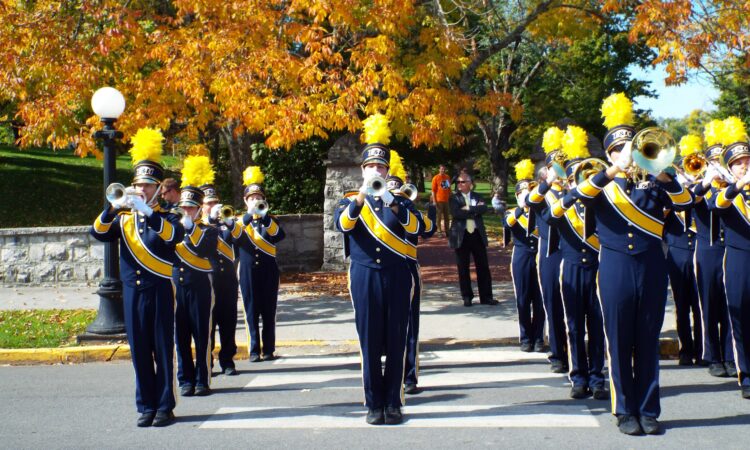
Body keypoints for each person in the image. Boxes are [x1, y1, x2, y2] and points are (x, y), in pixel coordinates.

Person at [559, 93, 693, 435]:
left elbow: (685, 201)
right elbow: (573, 199)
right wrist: (613, 172)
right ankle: (624, 411)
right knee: (618, 340)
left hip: (651, 266)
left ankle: (649, 410)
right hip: (616, 267)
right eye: (619, 150)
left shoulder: (654, 182)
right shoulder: (600, 183)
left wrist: (663, 176)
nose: (626, 155)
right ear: (609, 154)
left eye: (630, 148)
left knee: (647, 339)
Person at [90, 127, 184, 427]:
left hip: (158, 289)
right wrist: (111, 209)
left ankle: (165, 406)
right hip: (132, 291)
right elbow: (98, 233)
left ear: (157, 189)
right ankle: (146, 404)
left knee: (161, 347)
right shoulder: (123, 218)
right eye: (138, 185)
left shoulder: (169, 216)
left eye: (147, 186)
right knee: (140, 349)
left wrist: (149, 212)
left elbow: (172, 237)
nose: (140, 190)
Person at [334, 113, 424, 425]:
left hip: (397, 276)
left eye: (381, 167)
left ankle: (394, 402)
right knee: (369, 340)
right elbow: (343, 224)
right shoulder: (349, 200)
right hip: (363, 276)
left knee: (397, 338)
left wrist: (392, 200)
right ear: (363, 170)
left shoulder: (400, 201)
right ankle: (373, 403)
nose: (376, 170)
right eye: (371, 166)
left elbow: (418, 228)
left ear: (387, 170)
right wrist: (362, 195)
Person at [546, 126, 608, 401]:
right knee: (573, 326)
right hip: (570, 268)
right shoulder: (563, 202)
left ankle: (598, 378)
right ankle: (578, 377)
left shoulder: (602, 202)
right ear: (569, 180)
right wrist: (568, 192)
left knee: (597, 325)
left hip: (597, 269)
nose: (581, 181)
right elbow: (549, 217)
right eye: (575, 177)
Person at [387, 151, 436, 396]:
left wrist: (406, 204)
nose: (395, 192)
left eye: (398, 188)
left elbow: (427, 230)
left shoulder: (406, 206)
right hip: (384, 269)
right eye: (391, 188)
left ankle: (409, 376)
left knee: (409, 327)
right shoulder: (378, 206)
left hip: (407, 268)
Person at [690, 119, 735, 378]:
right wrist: (707, 181)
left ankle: (731, 355)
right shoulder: (701, 185)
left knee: (731, 304)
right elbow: (692, 200)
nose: (718, 166)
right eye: (713, 161)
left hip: (730, 249)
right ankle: (713, 355)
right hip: (707, 250)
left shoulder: (733, 186)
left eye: (721, 161)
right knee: (708, 303)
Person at [709, 116, 750, 400]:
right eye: (738, 163)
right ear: (729, 167)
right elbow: (717, 204)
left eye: (747, 161)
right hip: (739, 259)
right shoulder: (724, 189)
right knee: (741, 318)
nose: (744, 166)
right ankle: (746, 374)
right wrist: (738, 183)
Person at [172, 155, 218, 398]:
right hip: (177, 286)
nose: (187, 211)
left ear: (200, 209)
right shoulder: (173, 227)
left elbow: (206, 250)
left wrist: (191, 229)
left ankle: (203, 379)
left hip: (200, 286)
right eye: (184, 207)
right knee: (181, 336)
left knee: (202, 335)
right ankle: (185, 379)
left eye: (191, 207)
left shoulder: (209, 230)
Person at [527, 126, 568, 373]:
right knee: (553, 304)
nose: (563, 172)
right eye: (557, 168)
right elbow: (531, 201)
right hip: (551, 253)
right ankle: (558, 353)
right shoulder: (541, 193)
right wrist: (548, 183)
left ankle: (577, 355)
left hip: (575, 252)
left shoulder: (576, 190)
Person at [234, 166, 285, 363]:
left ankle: (269, 349)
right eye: (252, 198)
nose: (255, 201)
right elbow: (233, 237)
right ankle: (254, 350)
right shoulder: (239, 221)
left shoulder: (270, 220)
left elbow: (279, 236)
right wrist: (248, 215)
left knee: (268, 310)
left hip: (269, 271)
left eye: (258, 198)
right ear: (246, 201)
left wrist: (263, 217)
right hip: (247, 271)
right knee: (250, 310)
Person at [663, 135, 703, 367]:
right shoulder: (672, 191)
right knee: (681, 303)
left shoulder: (701, 191)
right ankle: (685, 349)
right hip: (677, 252)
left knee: (699, 304)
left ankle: (701, 348)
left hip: (698, 250)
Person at [504, 159, 544, 353]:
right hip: (521, 258)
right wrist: (522, 206)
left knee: (540, 299)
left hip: (539, 256)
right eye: (522, 193)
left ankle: (538, 337)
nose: (526, 197)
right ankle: (525, 337)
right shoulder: (512, 212)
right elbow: (509, 223)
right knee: (523, 299)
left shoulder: (541, 212)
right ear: (518, 195)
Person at [201, 183, 240, 376]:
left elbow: (241, 239)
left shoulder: (227, 224)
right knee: (208, 324)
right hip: (207, 281)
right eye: (209, 203)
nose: (213, 206)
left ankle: (227, 360)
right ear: (201, 205)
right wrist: (209, 219)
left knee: (228, 321)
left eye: (215, 202)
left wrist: (228, 222)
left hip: (227, 281)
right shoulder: (197, 224)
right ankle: (207, 361)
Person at [448, 172, 497, 307]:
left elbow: (484, 208)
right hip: (461, 236)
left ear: (470, 183)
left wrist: (469, 208)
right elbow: (456, 213)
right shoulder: (454, 198)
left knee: (483, 267)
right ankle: (467, 296)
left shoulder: (477, 196)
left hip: (476, 235)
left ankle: (486, 296)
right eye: (458, 182)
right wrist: (474, 212)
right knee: (463, 268)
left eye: (463, 182)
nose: (460, 184)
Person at [430, 165, 451, 237]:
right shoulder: (435, 178)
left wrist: (450, 196)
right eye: (442, 169)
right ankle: (439, 232)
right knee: (439, 217)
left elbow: (448, 188)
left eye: (444, 169)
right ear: (439, 169)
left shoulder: (447, 177)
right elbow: (433, 190)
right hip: (439, 200)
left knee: (447, 217)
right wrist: (434, 201)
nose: (443, 170)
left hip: (446, 200)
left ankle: (447, 231)